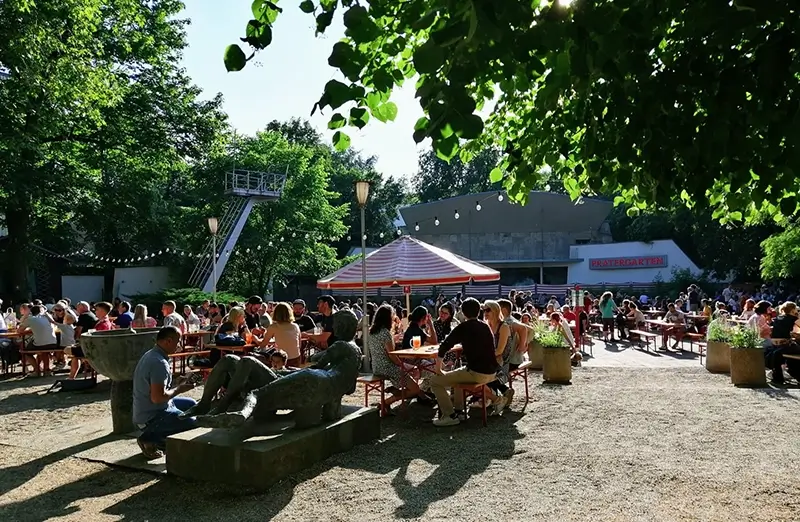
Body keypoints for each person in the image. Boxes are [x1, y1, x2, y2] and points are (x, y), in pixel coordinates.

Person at [428, 298, 500, 427]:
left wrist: (438, 368)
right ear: (479, 311)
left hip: (476, 372)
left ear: (463, 312)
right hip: (492, 372)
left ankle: (449, 415)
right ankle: (459, 411)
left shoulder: (464, 327)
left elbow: (444, 346)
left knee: (434, 381)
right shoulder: (485, 326)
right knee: (457, 375)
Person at [133, 326, 198, 459]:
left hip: (153, 407)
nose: (179, 345)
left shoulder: (152, 354)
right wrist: (179, 389)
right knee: (192, 422)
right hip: (151, 416)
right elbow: (157, 398)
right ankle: (150, 438)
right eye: (178, 341)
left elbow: (156, 387)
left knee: (192, 404)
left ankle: (157, 437)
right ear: (168, 341)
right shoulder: (158, 363)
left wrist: (176, 382)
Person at [368, 304, 431, 411]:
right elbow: (392, 355)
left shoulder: (373, 332)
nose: (394, 318)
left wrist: (393, 339)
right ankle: (386, 402)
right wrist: (403, 365)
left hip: (376, 366)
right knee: (415, 381)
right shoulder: (385, 333)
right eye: (393, 315)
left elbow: (382, 349)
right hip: (388, 367)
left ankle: (401, 390)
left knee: (412, 370)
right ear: (388, 318)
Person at [765, 302, 800, 384]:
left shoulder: (778, 318)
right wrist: (797, 316)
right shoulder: (793, 318)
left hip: (776, 345)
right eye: (796, 309)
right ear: (792, 310)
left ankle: (780, 376)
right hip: (785, 345)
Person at [19, 305, 58, 376]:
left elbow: (19, 331)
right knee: (44, 351)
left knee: (26, 352)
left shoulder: (31, 319)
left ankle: (37, 370)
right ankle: (47, 370)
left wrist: (30, 329)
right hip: (53, 342)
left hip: (40, 344)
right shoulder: (47, 317)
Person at [259, 302, 302, 367]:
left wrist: (256, 340)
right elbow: (299, 344)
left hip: (282, 359)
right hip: (296, 358)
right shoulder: (295, 326)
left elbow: (263, 344)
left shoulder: (273, 327)